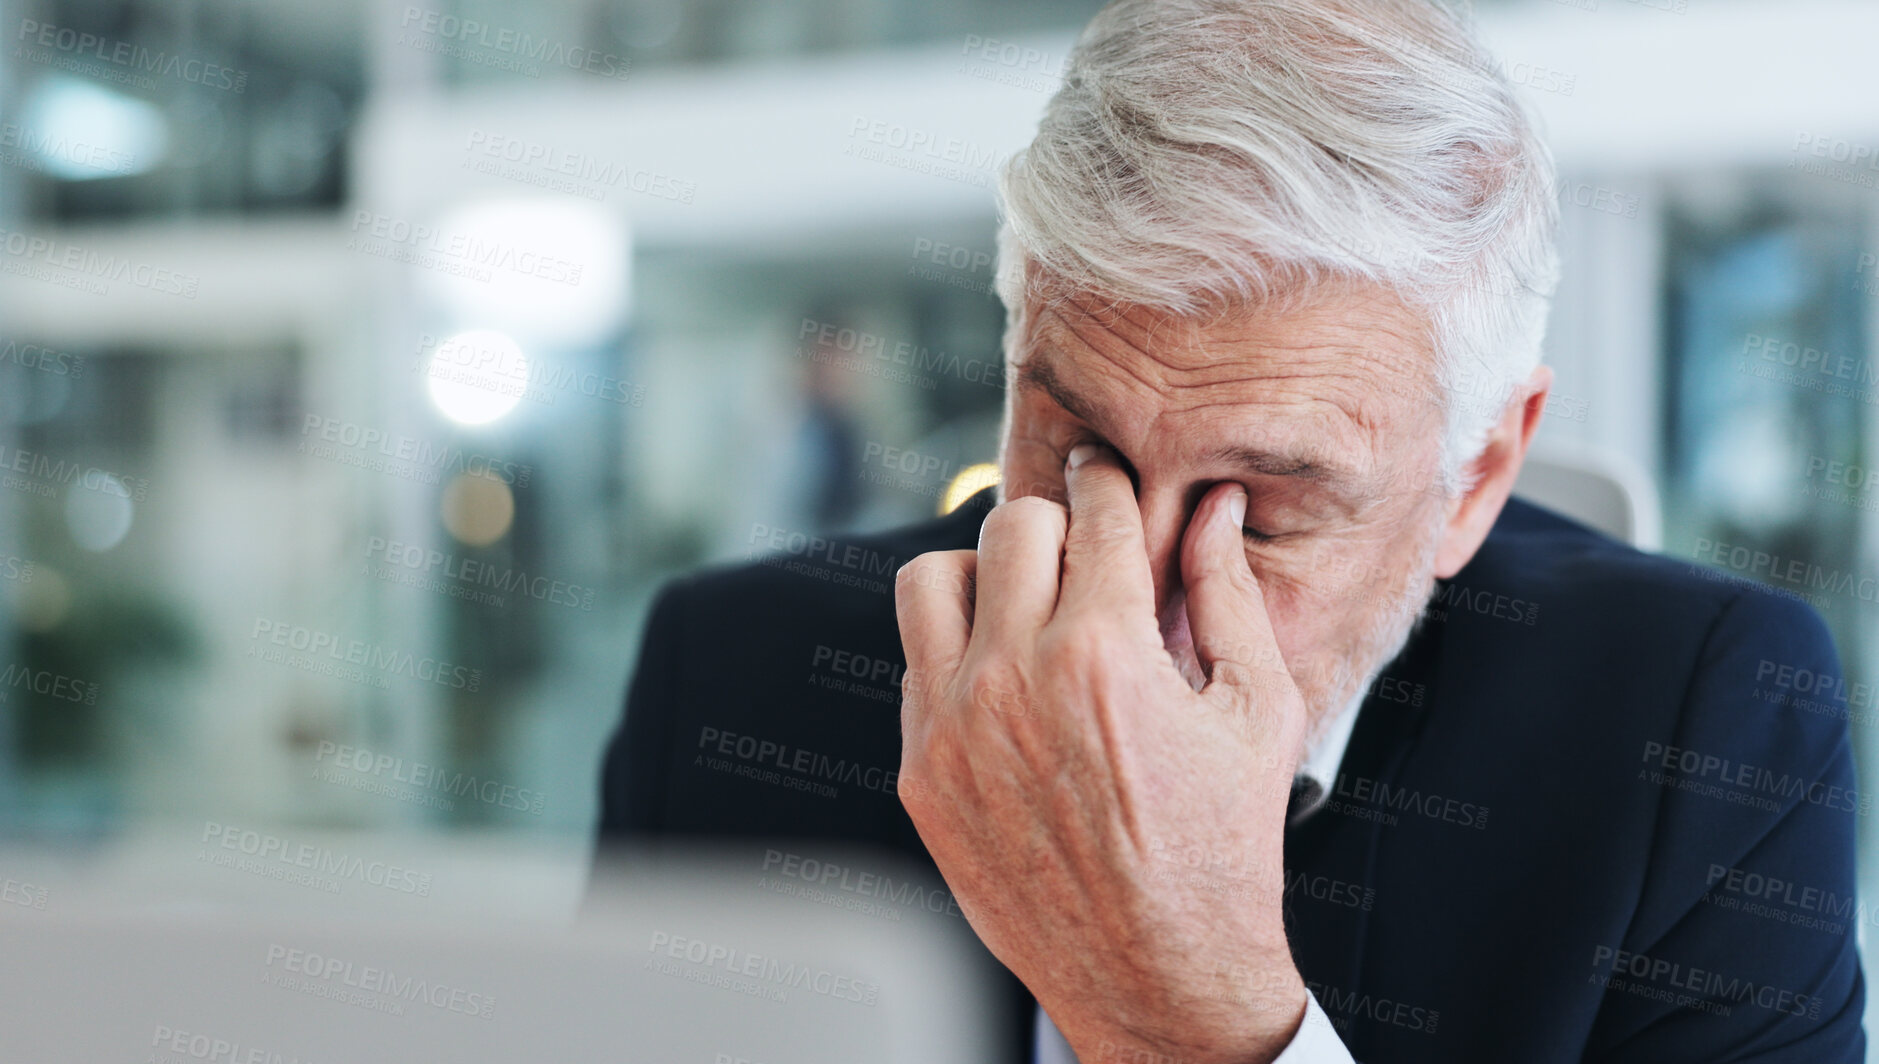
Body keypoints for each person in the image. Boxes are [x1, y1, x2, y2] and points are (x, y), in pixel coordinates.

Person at [598, 1, 1867, 1060]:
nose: (1121, 611)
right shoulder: (734, 674)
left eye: (1258, 515)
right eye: (1077, 453)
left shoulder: (1701, 726)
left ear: (1473, 477)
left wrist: (1187, 1015)